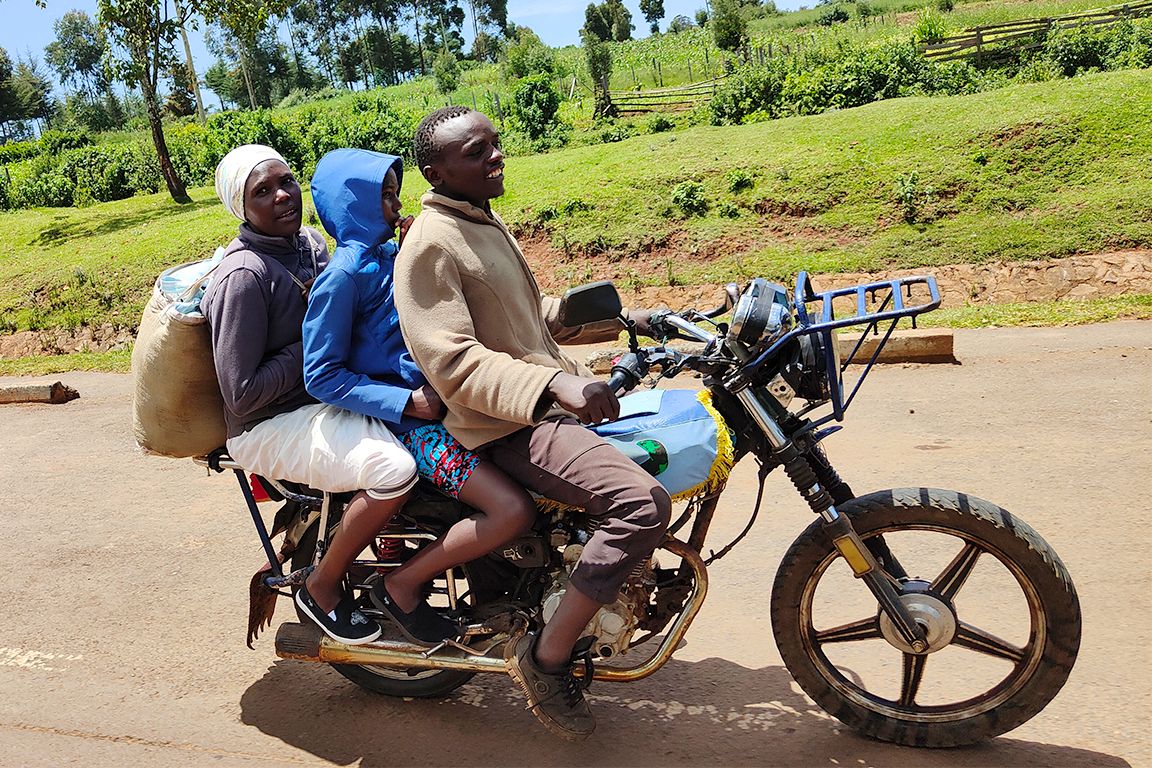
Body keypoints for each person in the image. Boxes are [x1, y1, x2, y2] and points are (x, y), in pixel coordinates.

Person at [394, 107, 672, 740]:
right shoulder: (430, 244)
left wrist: (626, 318)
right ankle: (546, 659)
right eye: (475, 152)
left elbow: (523, 320)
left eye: (495, 143)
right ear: (435, 171)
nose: (495, 156)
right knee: (640, 505)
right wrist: (555, 385)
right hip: (507, 426)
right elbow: (453, 360)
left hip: (540, 406)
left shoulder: (481, 220)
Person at [302, 148, 537, 646]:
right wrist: (404, 403)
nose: (396, 204)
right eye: (384, 196)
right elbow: (320, 374)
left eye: (395, 193)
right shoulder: (342, 277)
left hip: (451, 402)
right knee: (510, 509)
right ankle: (401, 584)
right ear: (353, 205)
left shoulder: (392, 254)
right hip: (413, 426)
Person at [201, 144, 418, 647]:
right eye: (262, 191)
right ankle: (320, 589)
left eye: (286, 181)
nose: (282, 196)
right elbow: (240, 392)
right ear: (241, 207)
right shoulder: (244, 277)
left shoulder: (311, 245)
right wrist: (316, 342)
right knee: (394, 470)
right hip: (268, 423)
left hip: (322, 397)